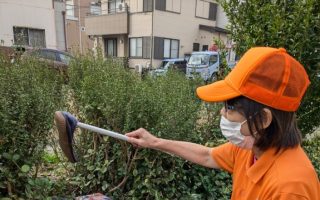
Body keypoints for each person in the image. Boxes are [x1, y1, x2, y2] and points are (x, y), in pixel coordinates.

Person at [125, 47, 320, 199]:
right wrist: (154, 142)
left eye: (230, 107)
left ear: (264, 119)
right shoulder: (250, 147)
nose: (222, 112)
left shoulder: (291, 188)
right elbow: (207, 155)